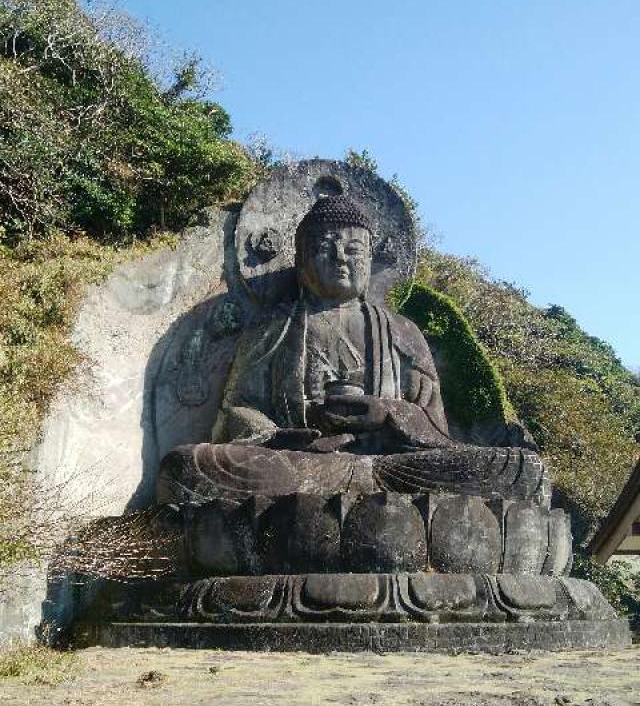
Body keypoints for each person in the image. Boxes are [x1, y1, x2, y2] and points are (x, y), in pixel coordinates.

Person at [158, 194, 548, 506]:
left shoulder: (402, 330)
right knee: (188, 466)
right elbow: (238, 407)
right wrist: (284, 437)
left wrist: (390, 413)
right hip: (300, 467)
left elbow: (434, 427)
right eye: (325, 247)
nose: (340, 257)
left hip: (392, 467)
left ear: (370, 261)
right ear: (301, 259)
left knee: (516, 468)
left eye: (353, 249)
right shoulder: (273, 325)